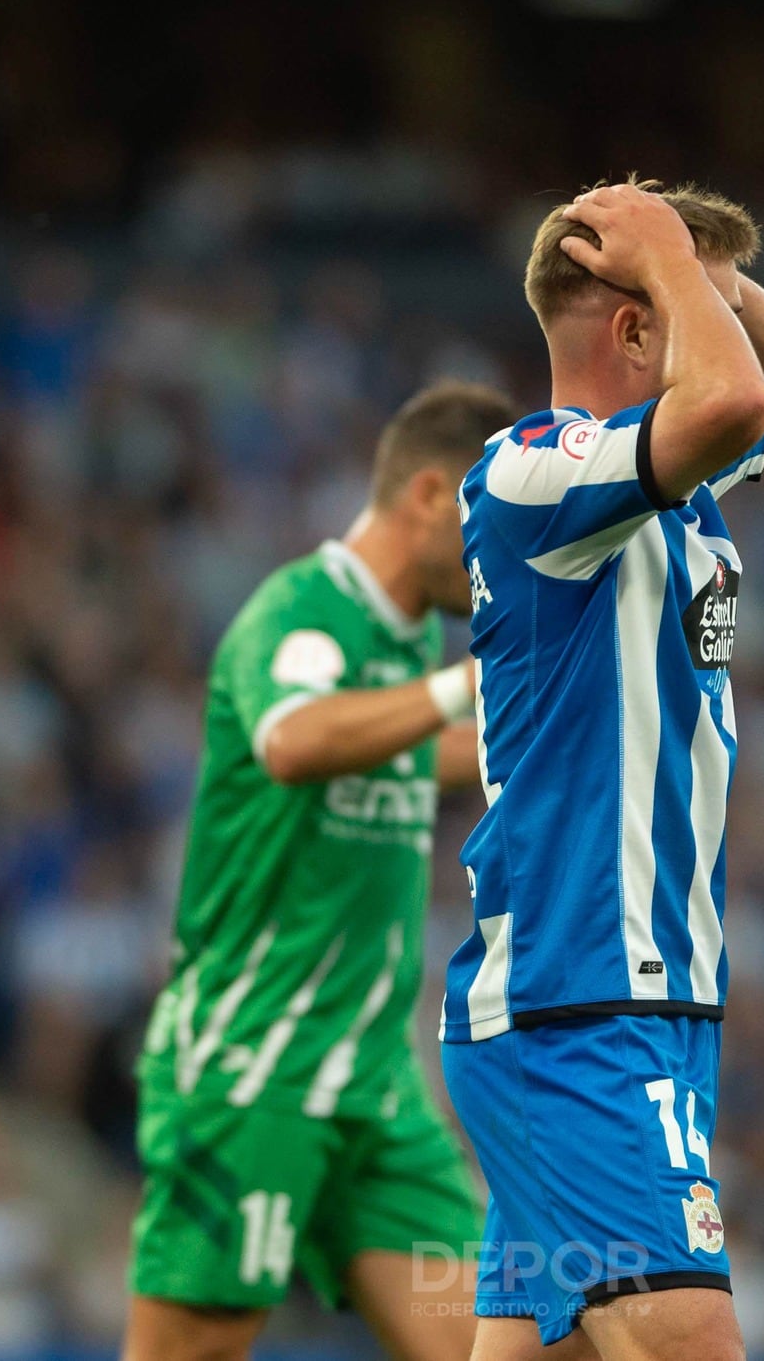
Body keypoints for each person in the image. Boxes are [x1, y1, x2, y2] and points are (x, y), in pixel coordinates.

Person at [440, 179, 764, 1361]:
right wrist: (663, 258)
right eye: (691, 307)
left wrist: (693, 264)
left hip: (648, 1006)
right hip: (578, 1004)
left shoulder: (668, 488)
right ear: (631, 328)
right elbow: (736, 394)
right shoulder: (533, 475)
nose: (721, 324)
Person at [123, 380, 516, 1361]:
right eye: (491, 524)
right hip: (254, 1055)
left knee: (496, 1344)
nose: (500, 558)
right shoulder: (300, 610)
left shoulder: (407, 638)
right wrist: (455, 687)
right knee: (193, 1349)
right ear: (430, 494)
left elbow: (412, 757)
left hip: (373, 1078)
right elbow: (294, 740)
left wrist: (558, 732)